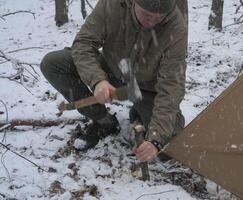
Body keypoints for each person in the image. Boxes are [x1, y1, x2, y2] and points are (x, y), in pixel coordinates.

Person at [40, 0, 187, 162]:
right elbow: (84, 43)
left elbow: (172, 86)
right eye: (147, 15)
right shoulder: (113, 4)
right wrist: (97, 80)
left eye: (160, 18)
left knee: (170, 145)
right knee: (53, 64)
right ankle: (103, 121)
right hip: (111, 69)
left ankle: (140, 111)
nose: (152, 22)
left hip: (146, 86)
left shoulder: (176, 26)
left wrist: (156, 139)